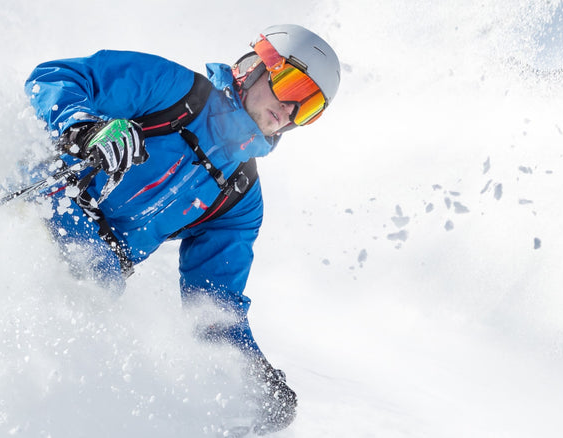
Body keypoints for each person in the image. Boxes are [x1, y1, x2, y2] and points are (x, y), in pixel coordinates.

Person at [23, 24, 340, 433]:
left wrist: (250, 373)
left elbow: (213, 304)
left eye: (309, 107)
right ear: (258, 66)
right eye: (293, 87)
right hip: (34, 213)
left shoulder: (238, 196)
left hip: (82, 286)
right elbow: (55, 78)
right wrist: (83, 127)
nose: (291, 112)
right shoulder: (174, 92)